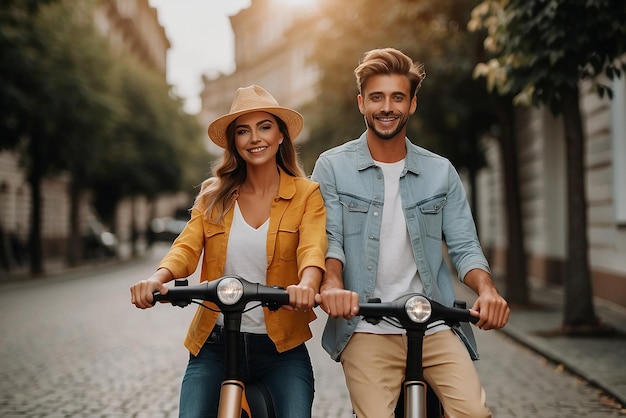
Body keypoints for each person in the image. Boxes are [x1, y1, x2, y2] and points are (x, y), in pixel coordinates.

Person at [311, 48, 510, 418]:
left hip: (434, 323)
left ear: (412, 104)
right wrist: (332, 286)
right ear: (361, 103)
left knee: (474, 413)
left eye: (397, 97)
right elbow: (328, 239)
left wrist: (487, 290)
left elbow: (465, 244)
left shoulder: (441, 172)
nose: (387, 107)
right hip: (365, 326)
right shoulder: (332, 166)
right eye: (377, 97)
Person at [130, 85, 327, 418]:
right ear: (234, 142)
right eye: (243, 131)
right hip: (215, 345)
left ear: (281, 135)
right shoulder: (213, 195)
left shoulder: (306, 194)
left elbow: (312, 246)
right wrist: (156, 278)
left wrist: (308, 285)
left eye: (264, 126)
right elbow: (187, 246)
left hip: (280, 349)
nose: (254, 138)